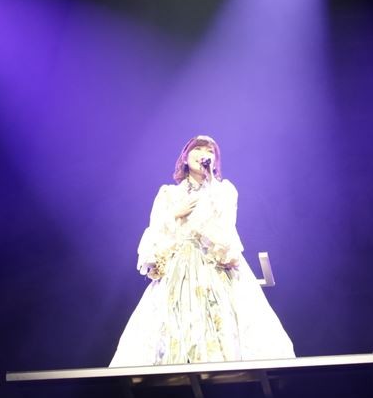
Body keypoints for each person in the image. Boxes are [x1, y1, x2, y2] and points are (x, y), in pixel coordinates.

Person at [109, 135, 296, 366]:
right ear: (185, 157)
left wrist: (210, 191)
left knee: (225, 325)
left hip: (214, 266)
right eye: (198, 149)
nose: (204, 154)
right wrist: (175, 214)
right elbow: (155, 232)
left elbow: (226, 230)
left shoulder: (224, 191)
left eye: (210, 151)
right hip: (179, 269)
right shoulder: (169, 194)